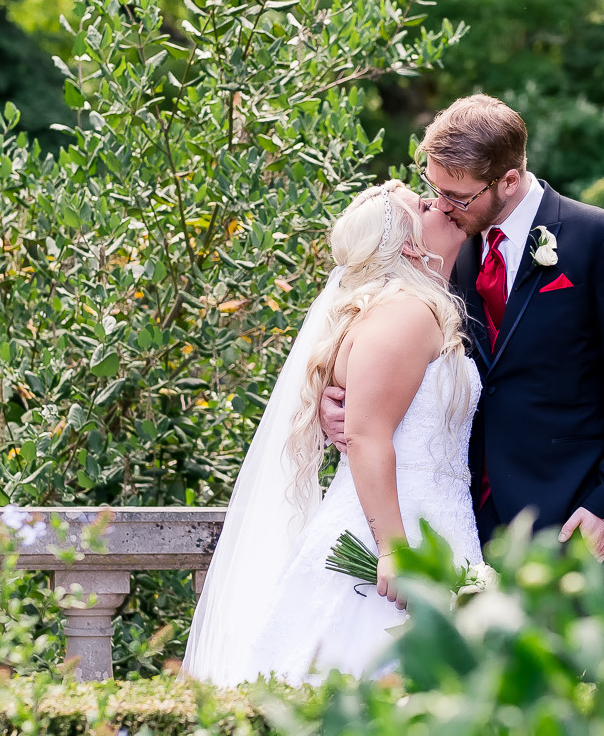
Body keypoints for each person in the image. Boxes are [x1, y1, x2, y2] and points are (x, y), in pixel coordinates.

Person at [325, 95, 604, 558]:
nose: (443, 207)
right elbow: (376, 335)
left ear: (508, 180)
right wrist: (337, 397)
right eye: (435, 188)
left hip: (563, 515)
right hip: (456, 514)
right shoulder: (441, 253)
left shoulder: (597, 239)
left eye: (458, 197)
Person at [181, 181, 477, 685]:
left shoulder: (410, 308)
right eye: (424, 205)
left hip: (436, 515)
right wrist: (393, 550)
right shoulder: (406, 314)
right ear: (409, 244)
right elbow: (365, 437)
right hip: (395, 529)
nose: (440, 205)